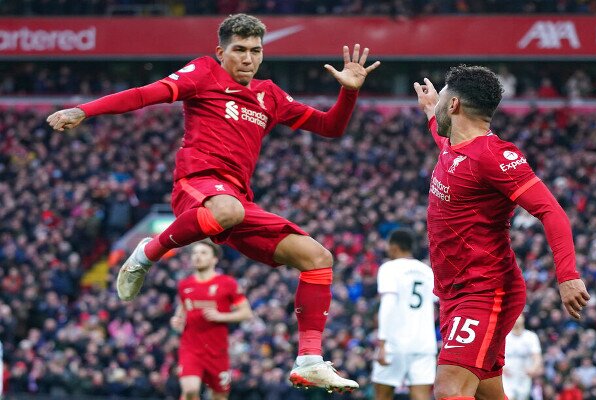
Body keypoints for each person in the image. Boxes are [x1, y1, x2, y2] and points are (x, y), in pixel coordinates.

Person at [46, 13, 380, 392]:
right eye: (239, 50)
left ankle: (309, 360)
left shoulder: (269, 94)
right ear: (220, 52)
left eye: (256, 51)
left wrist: (349, 91)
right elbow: (144, 95)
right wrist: (84, 110)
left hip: (235, 199)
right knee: (228, 209)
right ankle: (146, 254)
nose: (248, 59)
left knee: (318, 257)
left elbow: (330, 127)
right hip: (197, 185)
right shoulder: (203, 73)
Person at [412, 65, 590, 400]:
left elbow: (551, 211)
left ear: (454, 106)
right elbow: (442, 135)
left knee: (450, 387)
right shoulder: (454, 145)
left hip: (486, 291)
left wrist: (567, 275)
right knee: (486, 392)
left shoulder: (494, 156)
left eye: (443, 98)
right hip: (454, 292)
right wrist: (429, 110)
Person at [170, 240, 253, 400]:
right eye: (194, 253)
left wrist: (221, 316)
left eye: (203, 253)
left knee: (220, 396)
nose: (197, 257)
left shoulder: (227, 283)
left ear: (214, 259)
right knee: (190, 390)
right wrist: (176, 321)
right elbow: (181, 312)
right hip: (191, 348)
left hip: (217, 351)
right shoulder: (184, 285)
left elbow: (246, 313)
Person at [372, 228, 436, 400]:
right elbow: (437, 302)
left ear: (394, 246)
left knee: (383, 395)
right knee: (421, 396)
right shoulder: (426, 270)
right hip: (424, 343)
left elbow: (388, 304)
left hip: (395, 342)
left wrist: (383, 342)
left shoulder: (389, 268)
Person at [502, 315, 542, 400]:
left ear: (523, 319)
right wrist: (501, 367)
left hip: (524, 376)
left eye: (519, 316)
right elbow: (495, 355)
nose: (517, 319)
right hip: (507, 376)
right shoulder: (505, 336)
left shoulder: (531, 336)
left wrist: (533, 369)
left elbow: (537, 357)